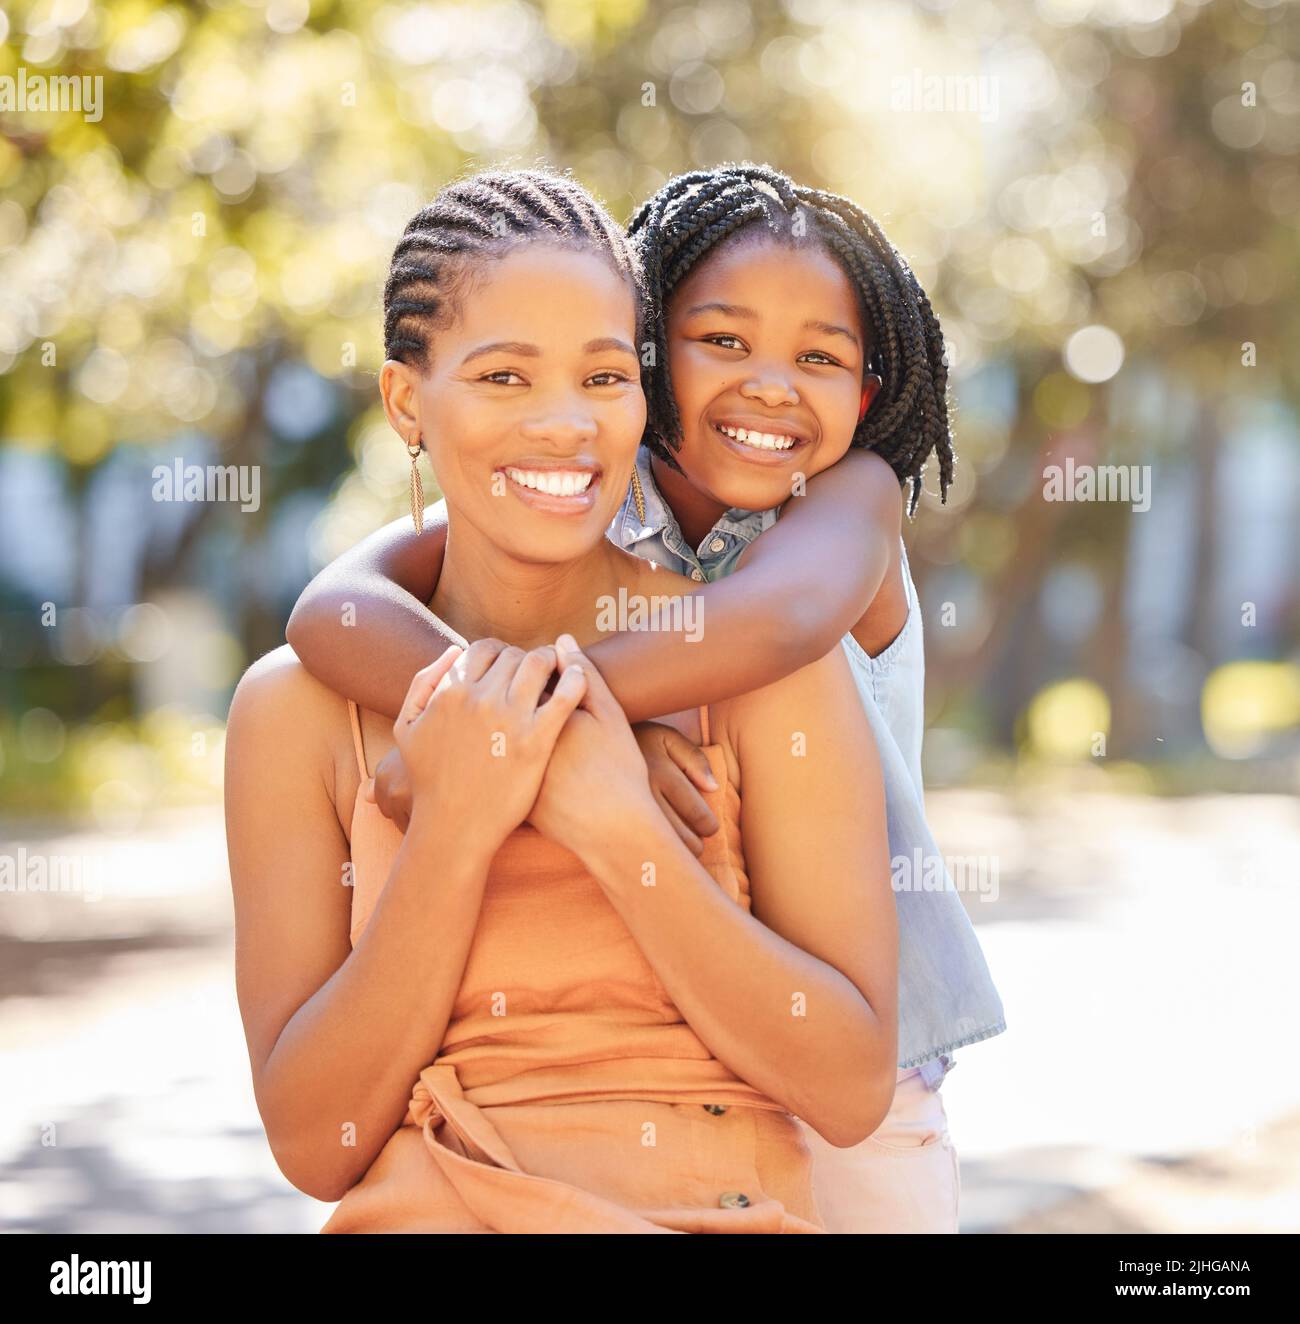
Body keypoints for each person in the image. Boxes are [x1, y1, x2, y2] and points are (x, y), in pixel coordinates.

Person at [287, 163, 1005, 1231]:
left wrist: (556, 719)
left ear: (862, 396)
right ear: (650, 358)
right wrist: (511, 738)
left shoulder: (849, 500)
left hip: (861, 1060)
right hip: (677, 1049)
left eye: (818, 358)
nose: (771, 384)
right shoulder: (578, 489)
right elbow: (333, 607)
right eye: (724, 341)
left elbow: (773, 624)